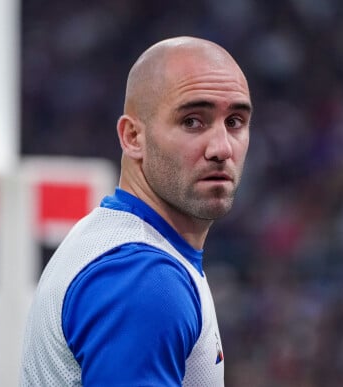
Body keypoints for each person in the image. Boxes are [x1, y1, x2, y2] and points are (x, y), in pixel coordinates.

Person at [20, 35, 252, 386]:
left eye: (234, 122)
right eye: (193, 121)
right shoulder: (143, 278)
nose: (221, 147)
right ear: (132, 137)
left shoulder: (112, 241)